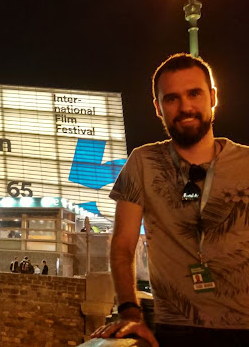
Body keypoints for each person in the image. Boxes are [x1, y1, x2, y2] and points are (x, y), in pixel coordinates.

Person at [91, 54, 249, 347]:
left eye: (194, 93)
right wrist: (129, 311)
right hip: (176, 330)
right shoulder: (142, 162)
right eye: (172, 98)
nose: (185, 107)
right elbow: (122, 245)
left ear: (213, 97)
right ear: (158, 108)